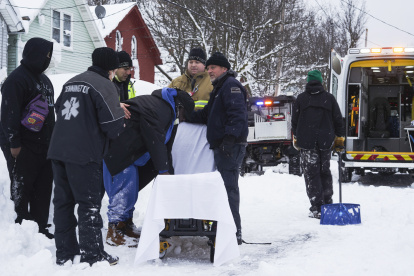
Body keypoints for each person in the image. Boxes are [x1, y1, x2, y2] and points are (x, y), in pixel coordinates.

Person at [47, 47, 125, 266]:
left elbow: (60, 109)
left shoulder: (72, 81)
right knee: (88, 205)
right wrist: (121, 116)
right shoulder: (104, 85)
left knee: (63, 203)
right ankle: (92, 255)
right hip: (84, 154)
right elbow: (112, 125)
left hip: (58, 150)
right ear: (111, 68)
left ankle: (65, 253)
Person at [103, 87, 195, 247]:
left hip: (127, 152)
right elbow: (155, 139)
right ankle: (114, 232)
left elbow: (164, 146)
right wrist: (163, 171)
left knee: (129, 191)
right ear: (179, 106)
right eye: (184, 112)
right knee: (122, 191)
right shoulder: (161, 108)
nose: (183, 117)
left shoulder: (163, 107)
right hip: (119, 151)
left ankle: (126, 226)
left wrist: (168, 171)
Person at [190, 52, 248, 245]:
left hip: (230, 147)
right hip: (223, 146)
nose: (209, 71)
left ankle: (233, 232)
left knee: (228, 188)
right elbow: (207, 115)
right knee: (223, 188)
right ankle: (226, 229)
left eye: (212, 67)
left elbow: (237, 116)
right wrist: (185, 115)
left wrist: (228, 141)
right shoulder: (219, 88)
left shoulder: (231, 86)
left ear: (224, 68)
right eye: (208, 68)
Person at [0, 37, 55, 239]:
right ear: (35, 54)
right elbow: (9, 114)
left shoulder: (45, 81)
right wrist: (14, 145)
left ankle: (40, 227)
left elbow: (51, 114)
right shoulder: (16, 80)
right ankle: (22, 229)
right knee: (22, 187)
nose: (48, 59)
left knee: (43, 187)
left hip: (45, 146)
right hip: (22, 147)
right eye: (46, 55)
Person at [291, 70, 345, 219]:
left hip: (307, 142)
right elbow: (338, 120)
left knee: (311, 173)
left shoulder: (301, 99)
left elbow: (294, 122)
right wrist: (339, 138)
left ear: (308, 81)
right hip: (326, 141)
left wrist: (297, 136)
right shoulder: (329, 99)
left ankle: (317, 207)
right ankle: (327, 203)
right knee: (324, 171)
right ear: (320, 81)